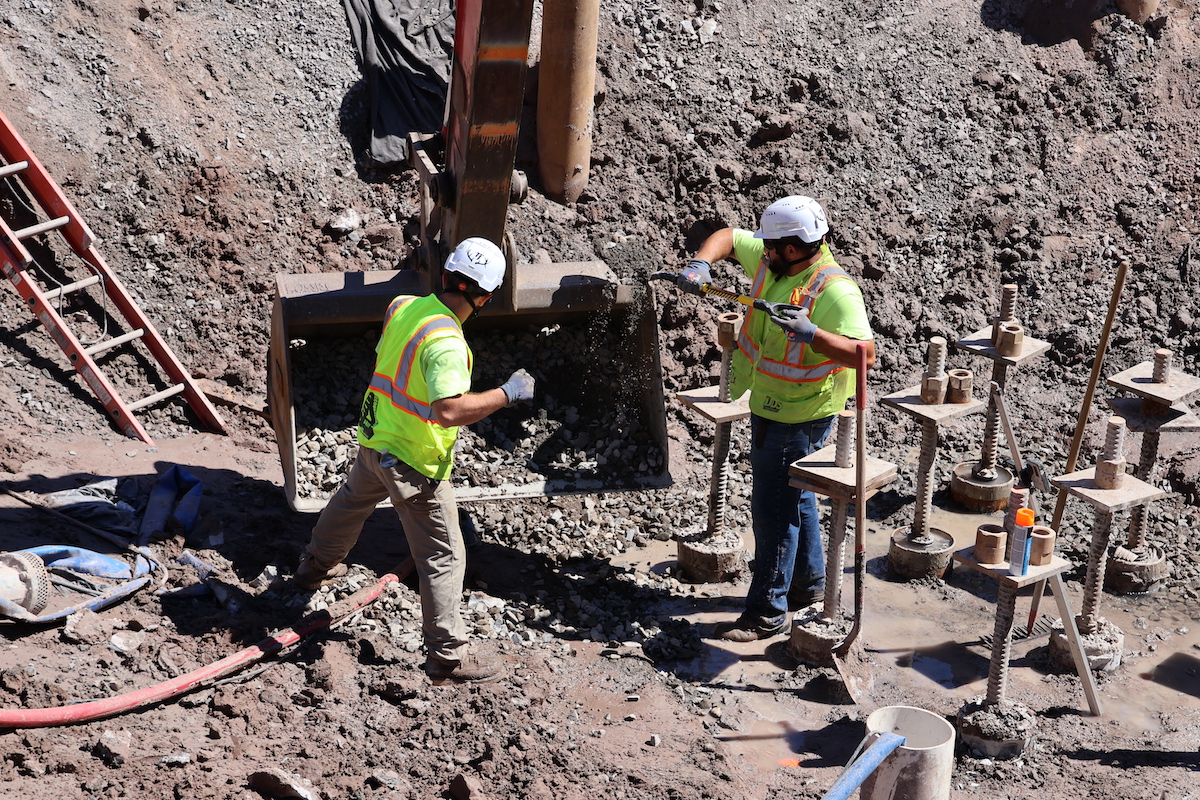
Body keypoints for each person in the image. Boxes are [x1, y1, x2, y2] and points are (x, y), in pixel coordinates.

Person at [294, 237, 535, 683]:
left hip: (376, 436)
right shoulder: (447, 343)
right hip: (411, 462)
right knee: (444, 553)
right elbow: (447, 411)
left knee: (349, 504)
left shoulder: (403, 306)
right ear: (485, 296)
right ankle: (448, 657)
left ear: (445, 276)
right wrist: (506, 394)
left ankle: (311, 571)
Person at [675, 196, 875, 642]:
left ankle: (767, 612)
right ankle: (808, 583)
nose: (762, 252)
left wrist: (814, 335)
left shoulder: (834, 291)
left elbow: (867, 355)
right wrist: (699, 265)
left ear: (792, 247)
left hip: (798, 414)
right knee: (797, 495)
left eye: (771, 247)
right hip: (771, 403)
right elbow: (727, 237)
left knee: (773, 512)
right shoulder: (776, 264)